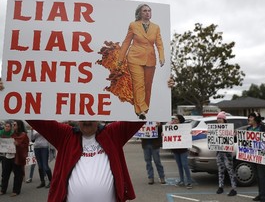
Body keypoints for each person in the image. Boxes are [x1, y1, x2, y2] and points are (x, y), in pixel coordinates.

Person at [0, 79, 174, 202]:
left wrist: (161, 89)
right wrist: (7, 89)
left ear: (100, 116)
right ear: (76, 118)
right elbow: (34, 116)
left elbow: (143, 114)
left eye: (91, 116)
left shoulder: (113, 133)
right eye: (82, 117)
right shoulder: (65, 135)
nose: (87, 120)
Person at [119, 4, 165, 120]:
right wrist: (120, 58)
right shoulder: (133, 25)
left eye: (149, 11)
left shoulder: (156, 27)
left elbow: (159, 43)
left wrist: (161, 56)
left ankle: (145, 109)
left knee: (148, 85)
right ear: (140, 13)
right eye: (145, 11)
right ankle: (141, 111)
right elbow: (126, 42)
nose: (147, 13)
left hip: (150, 59)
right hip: (134, 58)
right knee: (139, 84)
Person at [247, 112, 265, 202]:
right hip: (252, 156)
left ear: (255, 119)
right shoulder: (248, 129)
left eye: (251, 117)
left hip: (262, 156)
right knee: (258, 177)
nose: (249, 119)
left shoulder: (263, 128)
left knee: (262, 176)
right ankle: (260, 193)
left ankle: (263, 197)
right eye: (249, 117)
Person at [0, 120, 29, 197]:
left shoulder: (23, 135)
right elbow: (7, 142)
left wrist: (17, 144)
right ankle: (3, 189)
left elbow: (25, 146)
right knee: (5, 173)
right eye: (13, 125)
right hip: (8, 156)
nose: (13, 126)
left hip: (18, 157)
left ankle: (16, 191)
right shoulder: (12, 134)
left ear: (19, 126)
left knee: (17, 175)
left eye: (15, 125)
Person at [215, 111, 237, 196]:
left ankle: (234, 188)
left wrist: (234, 135)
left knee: (230, 170)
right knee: (220, 170)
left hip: (227, 152)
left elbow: (234, 140)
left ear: (224, 120)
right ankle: (221, 186)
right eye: (218, 118)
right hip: (219, 152)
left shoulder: (230, 128)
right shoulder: (215, 128)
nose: (219, 120)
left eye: (220, 118)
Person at [171, 114, 193, 189]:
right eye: (174, 119)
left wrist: (190, 134)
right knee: (179, 166)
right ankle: (182, 180)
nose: (174, 121)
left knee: (185, 165)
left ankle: (189, 181)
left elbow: (188, 136)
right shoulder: (171, 127)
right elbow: (168, 136)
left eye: (176, 119)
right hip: (175, 149)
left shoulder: (185, 127)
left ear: (180, 120)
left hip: (183, 149)